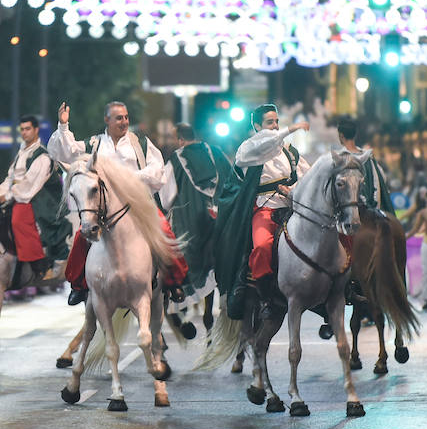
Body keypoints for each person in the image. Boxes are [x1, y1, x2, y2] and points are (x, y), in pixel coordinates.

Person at [48, 100, 188, 305]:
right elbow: (65, 153)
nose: (124, 122)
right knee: (81, 236)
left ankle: (174, 282)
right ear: (107, 120)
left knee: (164, 230)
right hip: (104, 206)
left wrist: (131, 178)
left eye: (126, 117)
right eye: (119, 118)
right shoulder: (94, 143)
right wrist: (63, 126)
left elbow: (157, 169)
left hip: (138, 202)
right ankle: (79, 285)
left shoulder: (140, 143)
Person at [215, 104, 311, 320]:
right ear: (257, 126)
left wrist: (293, 190)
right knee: (261, 246)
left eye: (277, 122)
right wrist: (291, 129)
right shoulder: (248, 150)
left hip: (293, 208)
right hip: (266, 208)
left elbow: (308, 176)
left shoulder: (290, 151)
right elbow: (263, 145)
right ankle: (264, 293)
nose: (275, 126)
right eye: (270, 122)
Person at [159, 123, 238, 305]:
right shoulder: (217, 152)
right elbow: (233, 180)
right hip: (223, 220)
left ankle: (178, 292)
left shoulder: (176, 160)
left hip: (192, 225)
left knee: (169, 251)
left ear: (180, 140)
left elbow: (166, 198)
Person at [0, 115, 71, 277]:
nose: (24, 132)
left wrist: (7, 196)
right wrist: (0, 193)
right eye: (22, 129)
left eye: (28, 129)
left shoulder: (42, 156)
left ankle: (41, 266)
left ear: (36, 130)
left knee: (18, 220)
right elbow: (11, 177)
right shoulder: (21, 153)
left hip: (37, 199)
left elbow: (30, 184)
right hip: (19, 194)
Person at [336, 117, 392, 213]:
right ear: (355, 135)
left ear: (341, 136)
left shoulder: (338, 159)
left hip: (346, 213)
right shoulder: (368, 158)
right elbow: (382, 178)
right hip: (370, 211)